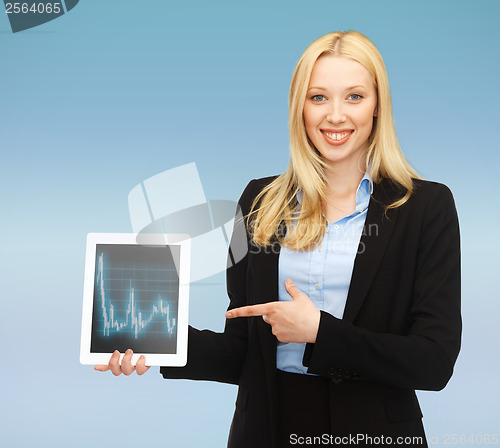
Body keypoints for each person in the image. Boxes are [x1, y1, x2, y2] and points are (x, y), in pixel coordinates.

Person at [95, 30, 461, 448]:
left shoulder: (426, 206)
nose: (336, 115)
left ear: (378, 107)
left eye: (355, 97)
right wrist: (158, 342)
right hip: (267, 429)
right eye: (318, 97)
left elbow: (434, 362)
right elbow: (242, 350)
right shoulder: (257, 200)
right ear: (299, 107)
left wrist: (320, 331)